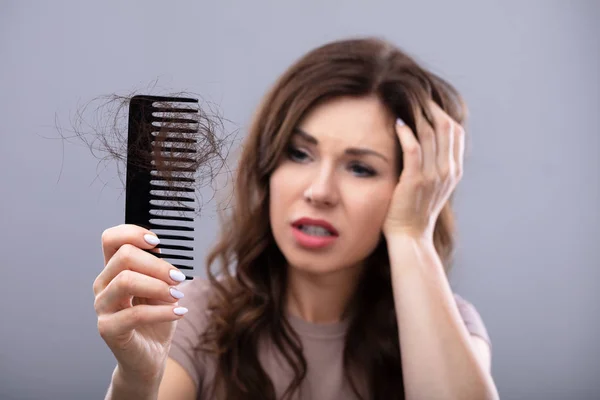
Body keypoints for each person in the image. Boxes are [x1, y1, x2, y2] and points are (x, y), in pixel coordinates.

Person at [93, 37, 499, 400]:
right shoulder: (193, 316)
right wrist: (137, 379)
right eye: (300, 154)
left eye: (360, 168)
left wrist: (412, 232)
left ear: (413, 188)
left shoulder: (449, 325)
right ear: (268, 167)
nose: (319, 191)